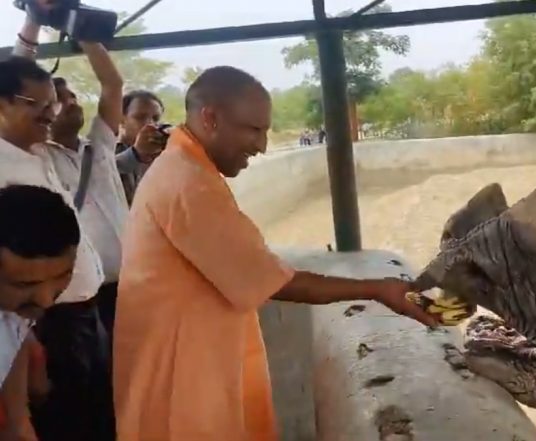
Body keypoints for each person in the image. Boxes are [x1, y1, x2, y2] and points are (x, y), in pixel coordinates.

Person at [113, 66, 438, 441]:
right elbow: (272, 280)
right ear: (210, 118)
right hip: (183, 382)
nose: (262, 145)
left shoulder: (185, 169)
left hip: (194, 365)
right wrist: (379, 289)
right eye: (253, 129)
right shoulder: (188, 183)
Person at [12, 12, 125, 440]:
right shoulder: (16, 158)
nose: (64, 104)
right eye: (48, 101)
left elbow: (113, 87)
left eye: (66, 96)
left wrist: (85, 32)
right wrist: (35, 20)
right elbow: (12, 80)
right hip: (53, 319)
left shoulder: (81, 152)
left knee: (103, 410)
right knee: (70, 419)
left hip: (95, 308)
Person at [0, 184, 81, 441]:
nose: (46, 301)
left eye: (62, 276)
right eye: (24, 285)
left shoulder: (14, 308)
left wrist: (19, 420)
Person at [115, 90, 167, 205]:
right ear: (122, 120)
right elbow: (100, 175)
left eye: (156, 118)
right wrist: (136, 154)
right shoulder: (103, 152)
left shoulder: (164, 157)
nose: (150, 124)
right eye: (140, 117)